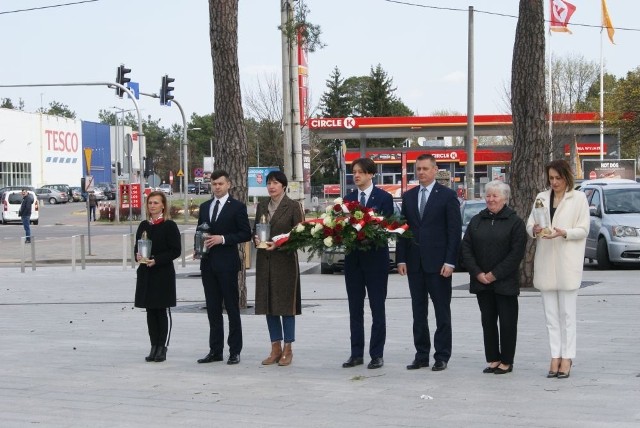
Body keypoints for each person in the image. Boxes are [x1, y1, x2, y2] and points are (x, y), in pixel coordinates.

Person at [397, 153, 461, 371]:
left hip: (439, 265)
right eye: (418, 169)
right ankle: (421, 354)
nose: (421, 172)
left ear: (435, 170)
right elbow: (403, 229)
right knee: (418, 312)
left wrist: (451, 261)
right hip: (414, 264)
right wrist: (401, 259)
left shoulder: (447, 196)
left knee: (442, 311)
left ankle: (442, 355)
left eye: (425, 169)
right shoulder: (409, 196)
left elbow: (454, 232)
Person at [526, 159, 589, 379]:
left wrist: (565, 233)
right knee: (550, 316)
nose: (554, 182)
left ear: (566, 177)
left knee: (567, 315)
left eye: (558, 178)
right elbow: (530, 223)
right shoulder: (541, 197)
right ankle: (555, 354)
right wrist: (534, 229)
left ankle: (567, 356)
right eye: (551, 178)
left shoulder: (578, 198)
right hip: (545, 262)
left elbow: (583, 229)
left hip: (567, 262)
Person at [460, 180, 527, 375]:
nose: (490, 199)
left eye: (495, 196)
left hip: (505, 282)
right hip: (482, 283)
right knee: (488, 322)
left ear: (505, 198)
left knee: (507, 323)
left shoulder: (515, 222)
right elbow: (466, 248)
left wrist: (494, 274)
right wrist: (478, 273)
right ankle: (493, 359)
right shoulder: (477, 220)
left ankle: (506, 360)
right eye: (488, 195)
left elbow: (516, 253)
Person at [341, 158, 394, 370]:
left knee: (377, 308)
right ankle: (356, 354)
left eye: (361, 172)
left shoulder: (384, 197)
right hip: (353, 260)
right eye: (354, 172)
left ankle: (377, 354)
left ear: (371, 174)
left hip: (376, 260)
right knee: (355, 309)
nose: (356, 175)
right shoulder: (348, 198)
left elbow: (389, 225)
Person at [196, 170, 251, 366]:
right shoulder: (205, 207)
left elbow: (245, 234)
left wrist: (223, 239)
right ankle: (215, 350)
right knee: (212, 309)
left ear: (228, 184)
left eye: (220, 184)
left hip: (227, 264)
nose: (217, 187)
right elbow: (200, 231)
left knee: (232, 308)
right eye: (214, 184)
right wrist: (199, 249)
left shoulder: (237, 207)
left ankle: (234, 350)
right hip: (208, 265)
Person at [253, 171, 304, 367]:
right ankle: (275, 347)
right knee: (269, 306)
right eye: (269, 183)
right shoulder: (262, 206)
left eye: (275, 183)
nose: (271, 186)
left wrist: (280, 244)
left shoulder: (293, 206)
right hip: (265, 261)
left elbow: (300, 236)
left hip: (285, 262)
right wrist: (256, 238)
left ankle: (288, 348)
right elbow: (257, 229)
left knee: (285, 306)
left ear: (283, 185)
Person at [134, 191, 181, 363]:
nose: (152, 206)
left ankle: (162, 347)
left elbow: (176, 250)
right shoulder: (144, 225)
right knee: (150, 311)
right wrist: (138, 257)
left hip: (162, 274)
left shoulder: (169, 225)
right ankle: (153, 345)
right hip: (146, 274)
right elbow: (137, 247)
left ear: (163, 205)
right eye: (150, 203)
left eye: (155, 203)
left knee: (161, 310)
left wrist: (157, 260)